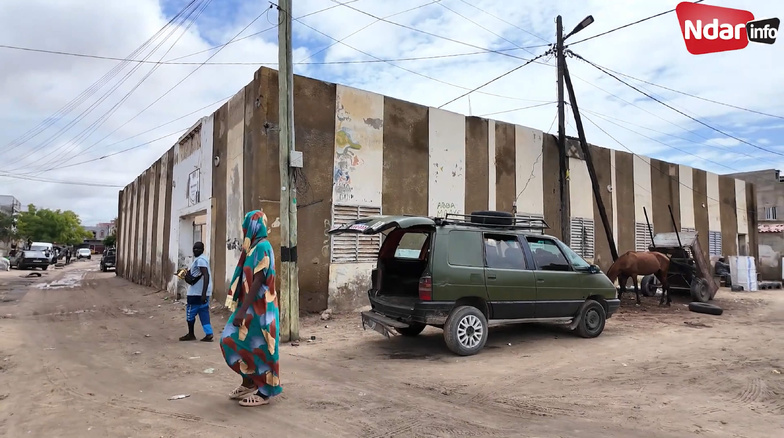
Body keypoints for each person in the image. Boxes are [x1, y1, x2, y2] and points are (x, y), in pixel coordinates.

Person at [219, 210, 282, 407]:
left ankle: (265, 392)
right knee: (229, 341)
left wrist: (241, 311)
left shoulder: (263, 247)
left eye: (245, 225)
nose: (244, 229)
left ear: (253, 226)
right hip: (250, 307)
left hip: (262, 309)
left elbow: (258, 280)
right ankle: (249, 382)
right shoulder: (252, 249)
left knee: (262, 347)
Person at [179, 241, 214, 342]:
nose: (195, 250)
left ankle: (191, 334)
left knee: (190, 313)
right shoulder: (203, 259)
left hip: (196, 293)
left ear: (202, 250)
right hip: (203, 292)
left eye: (198, 249)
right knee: (204, 313)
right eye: (194, 248)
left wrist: (203, 293)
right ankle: (209, 333)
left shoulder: (201, 261)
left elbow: (206, 275)